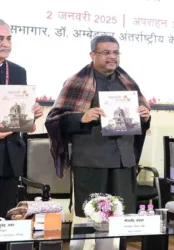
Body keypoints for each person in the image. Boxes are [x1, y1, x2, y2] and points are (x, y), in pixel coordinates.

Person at [45, 35, 150, 250]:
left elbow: (141, 120)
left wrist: (145, 116)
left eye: (116, 52)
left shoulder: (127, 82)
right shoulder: (76, 82)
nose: (112, 57)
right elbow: (54, 121)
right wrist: (80, 117)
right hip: (91, 161)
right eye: (106, 52)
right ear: (92, 55)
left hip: (123, 161)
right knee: (88, 217)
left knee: (120, 219)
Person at [0, 19, 43, 250]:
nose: (6, 44)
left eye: (9, 38)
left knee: (5, 216)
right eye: (0, 39)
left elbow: (16, 113)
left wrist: (32, 114)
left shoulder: (17, 71)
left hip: (8, 156)